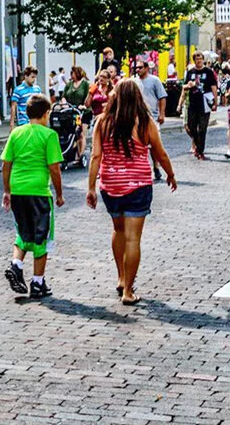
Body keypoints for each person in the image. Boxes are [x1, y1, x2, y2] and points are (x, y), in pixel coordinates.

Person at [87, 79, 176, 305]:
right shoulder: (145, 122)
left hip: (111, 185)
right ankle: (128, 290)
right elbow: (160, 153)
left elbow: (96, 156)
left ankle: (120, 277)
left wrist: (90, 187)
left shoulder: (102, 121)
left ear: (115, 96)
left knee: (117, 230)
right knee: (133, 238)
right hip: (138, 185)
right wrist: (170, 174)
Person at [1, 94, 63, 299]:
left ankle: (16, 265)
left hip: (18, 189)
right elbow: (54, 168)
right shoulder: (49, 135)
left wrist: (7, 190)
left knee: (24, 232)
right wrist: (59, 193)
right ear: (46, 114)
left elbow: (6, 164)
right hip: (38, 191)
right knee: (41, 236)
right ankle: (37, 282)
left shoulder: (16, 133)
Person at [182, 52, 215, 160]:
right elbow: (185, 86)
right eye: (197, 59)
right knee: (191, 127)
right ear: (194, 60)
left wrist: (215, 102)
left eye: (201, 59)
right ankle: (198, 147)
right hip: (193, 103)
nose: (199, 61)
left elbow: (214, 87)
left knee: (202, 128)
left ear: (203, 60)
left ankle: (200, 151)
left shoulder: (209, 72)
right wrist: (189, 85)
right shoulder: (190, 72)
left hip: (205, 102)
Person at [136, 61, 168, 126]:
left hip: (153, 117)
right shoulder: (134, 81)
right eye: (136, 68)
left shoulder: (155, 80)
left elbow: (162, 97)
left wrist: (162, 114)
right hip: (138, 117)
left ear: (146, 68)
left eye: (140, 67)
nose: (137, 70)